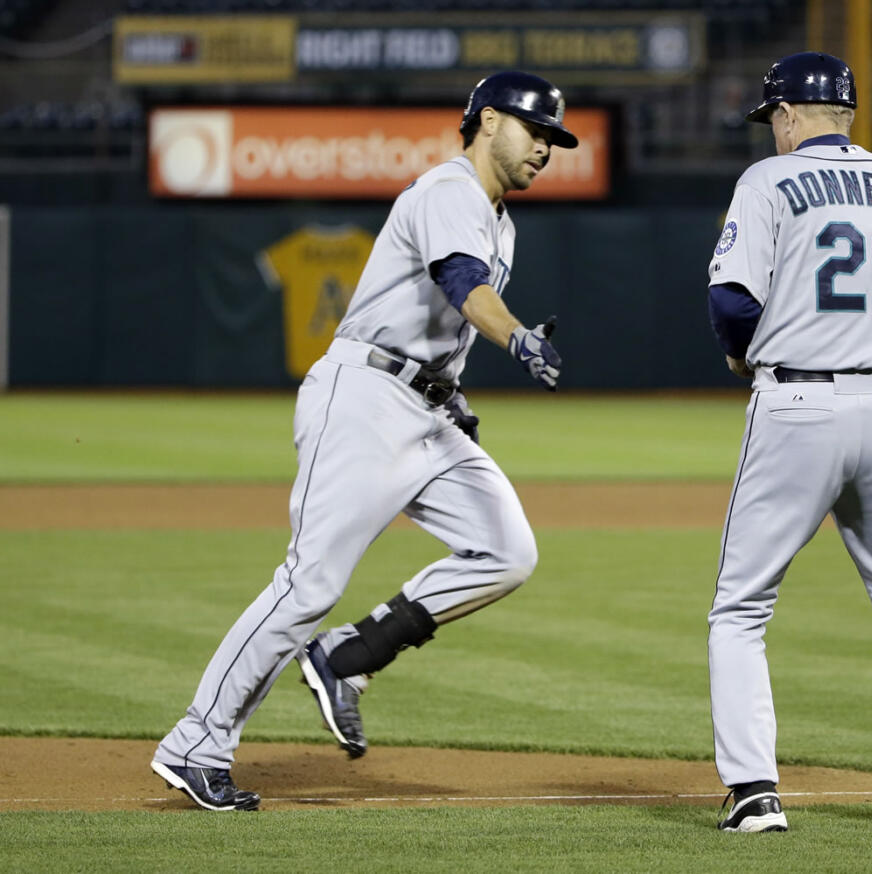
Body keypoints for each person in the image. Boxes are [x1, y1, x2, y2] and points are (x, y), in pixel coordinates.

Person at [151, 71, 576, 812]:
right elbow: (461, 284)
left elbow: (439, 325)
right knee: (308, 581)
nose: (546, 148)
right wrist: (517, 340)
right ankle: (197, 742)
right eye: (533, 130)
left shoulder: (500, 218)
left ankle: (351, 657)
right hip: (366, 399)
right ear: (484, 124)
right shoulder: (449, 190)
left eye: (553, 139)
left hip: (427, 409)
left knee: (507, 550)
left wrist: (459, 397)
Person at [705, 52, 872, 833]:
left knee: (740, 608)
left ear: (785, 116)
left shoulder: (768, 180)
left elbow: (730, 298)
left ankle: (754, 795)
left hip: (799, 404)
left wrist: (742, 350)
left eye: (771, 119)